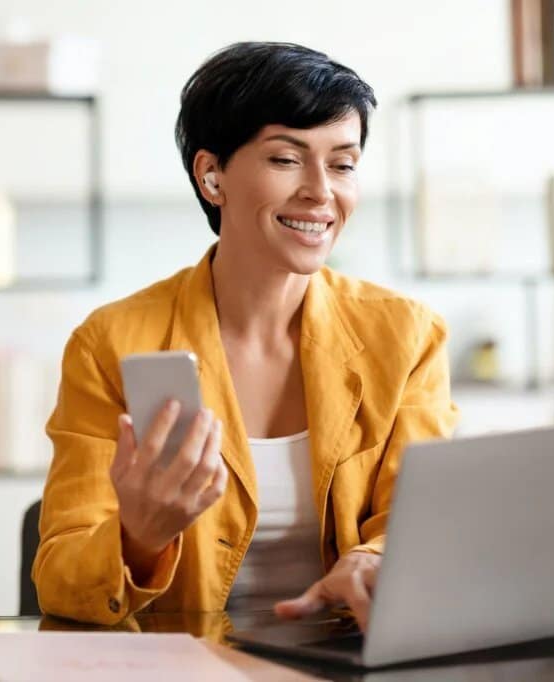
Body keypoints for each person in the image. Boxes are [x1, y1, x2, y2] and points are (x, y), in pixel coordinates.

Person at [32, 41, 459, 631]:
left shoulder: (407, 336)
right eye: (286, 159)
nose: (320, 190)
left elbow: (419, 521)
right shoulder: (112, 342)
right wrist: (138, 538)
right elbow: (59, 576)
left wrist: (373, 559)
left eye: (342, 163)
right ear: (211, 175)